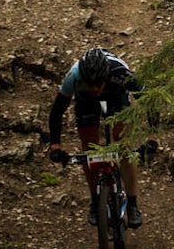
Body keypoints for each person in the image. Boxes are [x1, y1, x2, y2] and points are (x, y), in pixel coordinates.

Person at [47, 46, 151, 229]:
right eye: (90, 83)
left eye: (98, 83)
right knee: (89, 148)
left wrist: (153, 136)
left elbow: (150, 100)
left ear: (105, 76)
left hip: (116, 96)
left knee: (124, 146)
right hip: (86, 101)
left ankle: (133, 204)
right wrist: (55, 145)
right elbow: (57, 111)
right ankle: (95, 201)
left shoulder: (121, 72)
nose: (94, 88)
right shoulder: (74, 75)